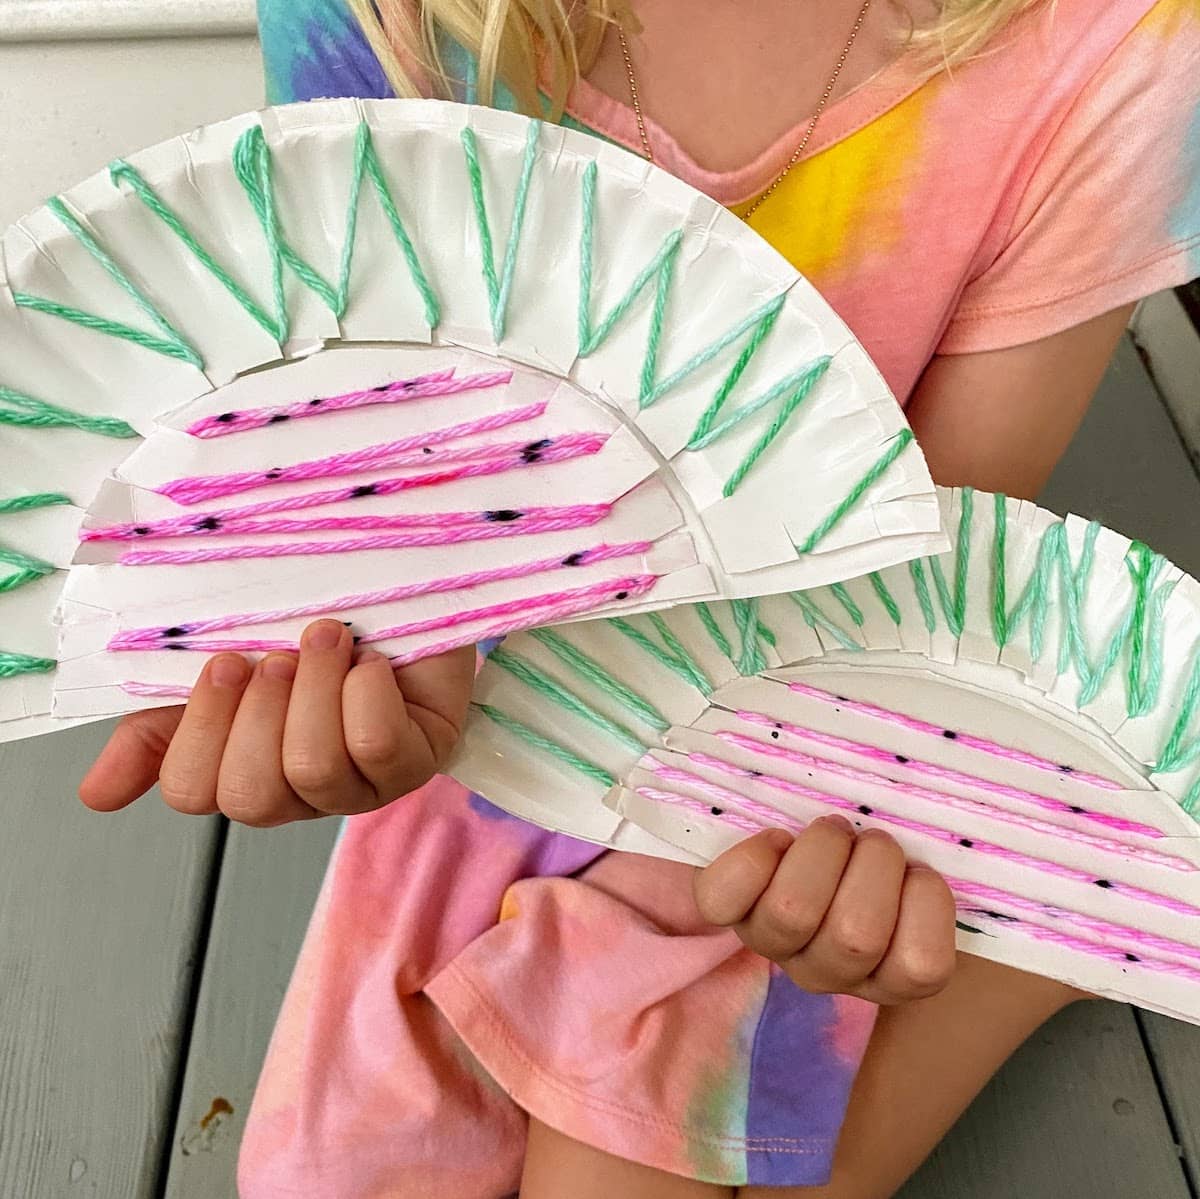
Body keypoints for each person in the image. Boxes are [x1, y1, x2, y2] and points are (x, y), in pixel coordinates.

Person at [79, 1, 1200, 1195]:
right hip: (501, 741)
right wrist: (381, 640)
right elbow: (380, 430)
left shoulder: (1113, 48)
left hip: (798, 750)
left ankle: (1031, 949)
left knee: (629, 1151)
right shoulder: (385, 19)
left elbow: (913, 594)